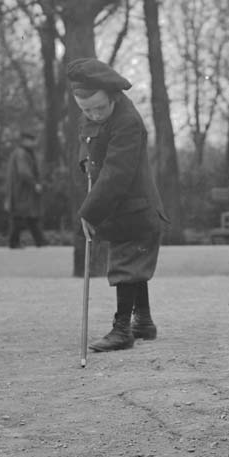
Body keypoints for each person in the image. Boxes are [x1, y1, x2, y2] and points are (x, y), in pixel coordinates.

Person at [66, 57, 168, 352]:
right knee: (132, 262)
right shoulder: (91, 115)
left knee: (125, 264)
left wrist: (89, 212)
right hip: (122, 208)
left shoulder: (128, 122)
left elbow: (116, 174)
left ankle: (122, 330)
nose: (94, 114)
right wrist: (85, 161)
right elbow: (87, 142)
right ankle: (144, 322)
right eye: (86, 109)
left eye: (100, 107)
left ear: (114, 96)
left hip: (137, 208)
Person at [5, 128, 46, 248]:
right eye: (32, 140)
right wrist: (35, 184)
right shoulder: (21, 153)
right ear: (25, 141)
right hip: (22, 192)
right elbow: (23, 172)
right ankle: (15, 242)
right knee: (21, 217)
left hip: (23, 192)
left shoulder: (25, 152)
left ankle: (40, 242)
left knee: (28, 218)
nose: (34, 143)